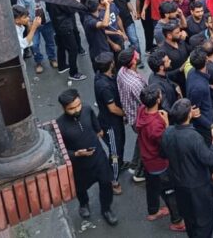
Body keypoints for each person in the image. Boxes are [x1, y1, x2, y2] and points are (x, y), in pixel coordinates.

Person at [160, 99, 213, 238]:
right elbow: (211, 159)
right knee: (204, 223)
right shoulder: (193, 137)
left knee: (190, 220)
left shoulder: (167, 132)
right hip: (198, 189)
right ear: (189, 115)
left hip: (179, 185)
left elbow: (163, 153)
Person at [56, 89, 118, 226]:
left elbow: (97, 127)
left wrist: (97, 133)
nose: (77, 110)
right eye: (71, 108)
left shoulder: (87, 109)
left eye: (78, 105)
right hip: (79, 164)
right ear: (63, 108)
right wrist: (76, 154)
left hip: (98, 158)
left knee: (106, 184)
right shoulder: (59, 125)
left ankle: (106, 209)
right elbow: (61, 150)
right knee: (81, 188)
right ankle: (84, 204)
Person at [136, 85, 185, 232]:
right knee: (169, 191)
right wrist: (167, 124)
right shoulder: (156, 124)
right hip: (159, 162)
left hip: (146, 158)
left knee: (152, 185)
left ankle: (153, 211)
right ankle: (177, 221)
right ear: (158, 100)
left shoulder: (141, 110)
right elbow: (167, 143)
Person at [93, 52, 125, 195]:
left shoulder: (102, 76)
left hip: (114, 121)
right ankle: (113, 180)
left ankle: (119, 166)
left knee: (120, 145)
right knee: (115, 152)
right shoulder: (104, 86)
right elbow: (112, 108)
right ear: (110, 65)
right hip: (110, 124)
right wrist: (126, 113)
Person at [116, 48, 147, 182]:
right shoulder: (135, 83)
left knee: (141, 140)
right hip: (138, 117)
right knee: (145, 143)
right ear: (133, 61)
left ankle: (134, 165)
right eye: (136, 55)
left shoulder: (122, 72)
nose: (138, 55)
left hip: (131, 114)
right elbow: (146, 100)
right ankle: (139, 173)